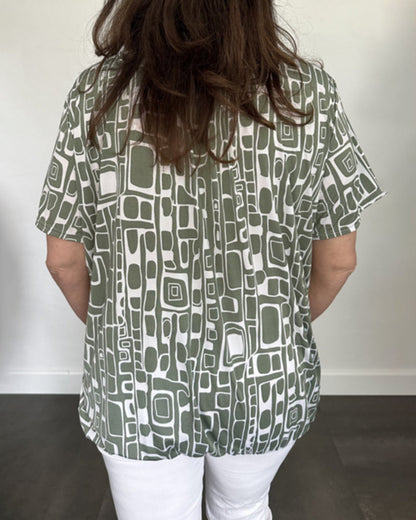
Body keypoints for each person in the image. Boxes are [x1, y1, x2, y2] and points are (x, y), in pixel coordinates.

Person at [34, 1, 388, 519]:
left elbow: (62, 260)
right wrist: (278, 325)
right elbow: (339, 261)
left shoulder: (97, 95)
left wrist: (121, 334)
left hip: (137, 383)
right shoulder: (307, 94)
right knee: (243, 509)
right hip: (264, 379)